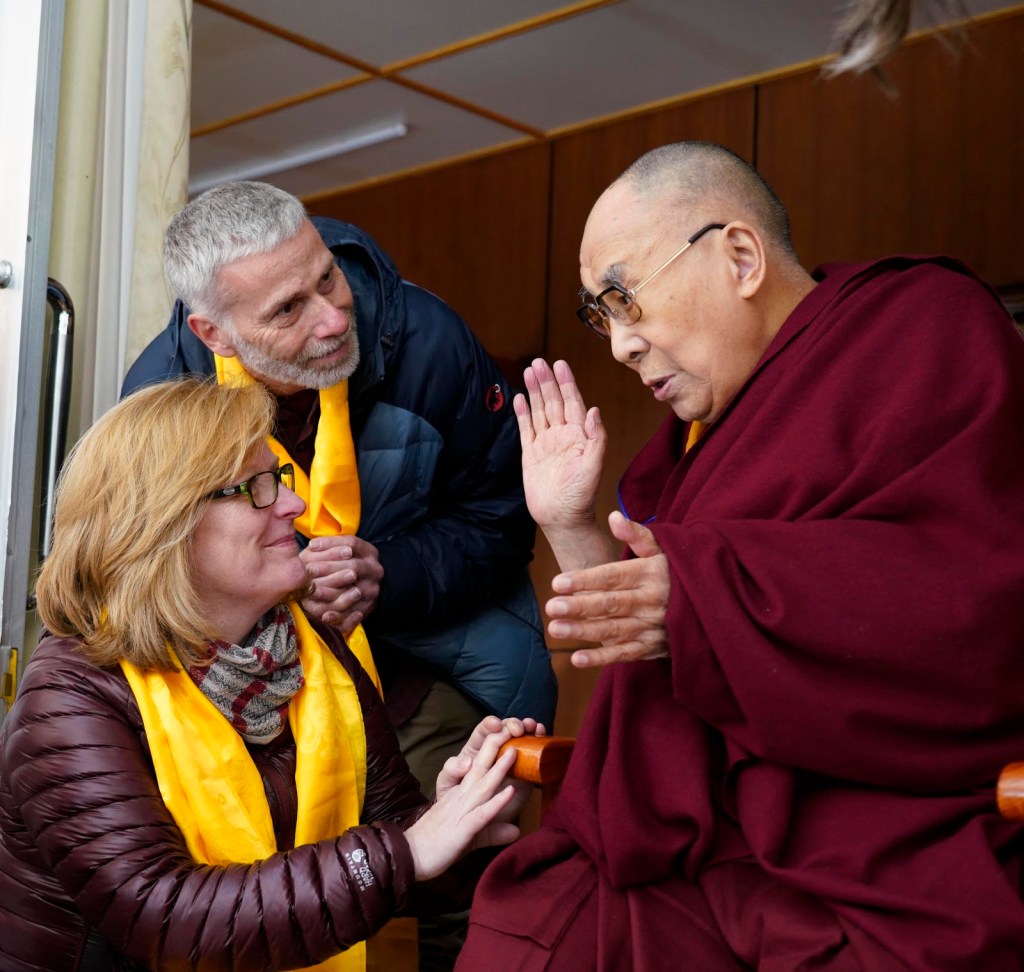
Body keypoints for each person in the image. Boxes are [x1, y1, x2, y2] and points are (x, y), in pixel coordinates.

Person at [456, 141, 1024, 970]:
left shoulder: (926, 325)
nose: (620, 345)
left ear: (741, 256)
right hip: (695, 830)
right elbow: (647, 654)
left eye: (624, 298)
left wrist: (701, 595)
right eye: (599, 316)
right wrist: (570, 521)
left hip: (868, 817)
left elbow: (975, 591)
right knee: (531, 932)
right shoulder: (704, 436)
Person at [0, 377, 544, 971]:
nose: (294, 505)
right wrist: (410, 851)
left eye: (279, 478)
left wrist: (460, 819)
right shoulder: (70, 696)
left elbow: (388, 868)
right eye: (257, 488)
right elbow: (166, 917)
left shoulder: (315, 647)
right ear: (163, 524)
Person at [120, 181, 556, 794]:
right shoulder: (159, 402)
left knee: (454, 877)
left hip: (424, 684)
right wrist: (286, 596)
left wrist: (389, 575)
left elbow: (501, 518)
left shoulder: (429, 344)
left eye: (326, 278)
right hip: (251, 711)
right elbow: (150, 580)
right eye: (287, 309)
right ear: (213, 333)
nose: (333, 317)